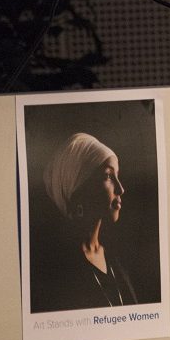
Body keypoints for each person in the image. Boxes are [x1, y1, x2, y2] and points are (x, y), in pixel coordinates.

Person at [32, 132, 138, 312]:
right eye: (108, 176)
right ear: (79, 188)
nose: (120, 189)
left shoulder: (117, 260)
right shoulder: (57, 270)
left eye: (117, 175)